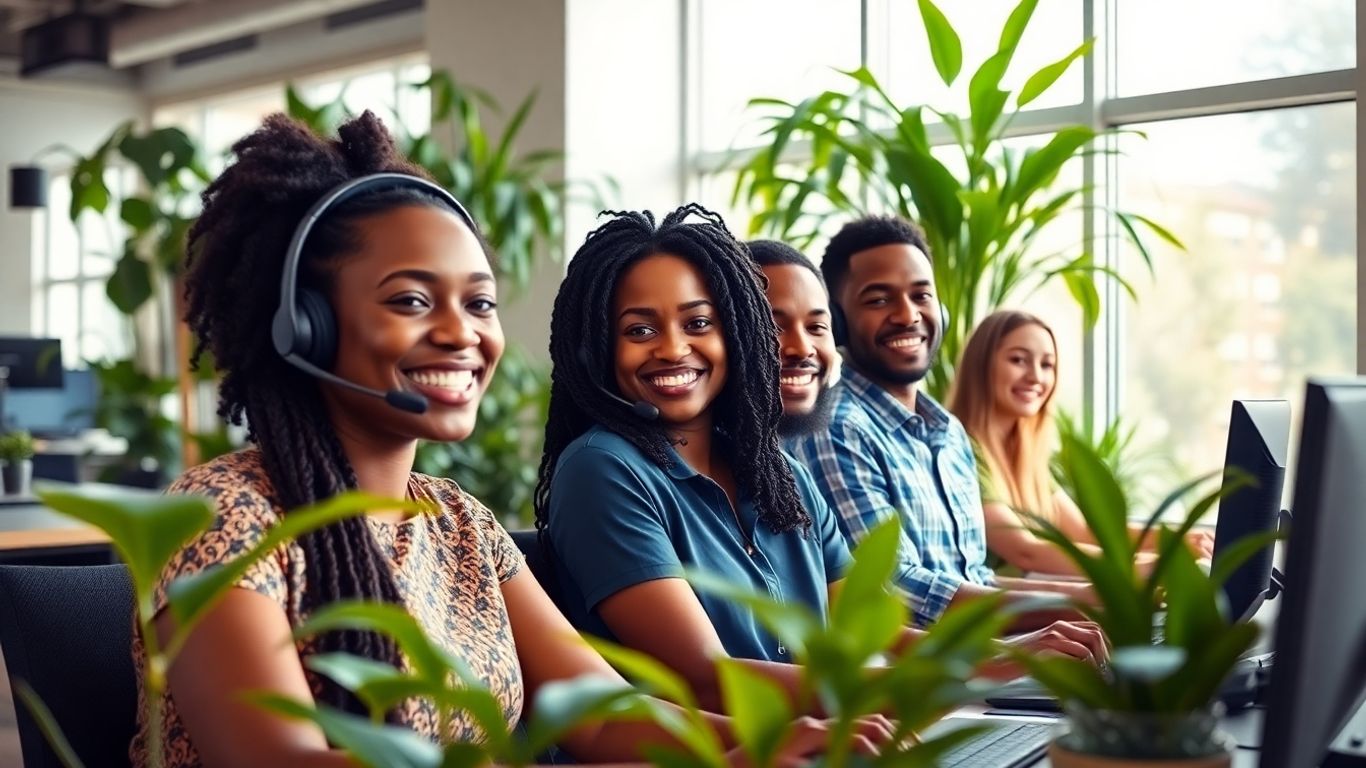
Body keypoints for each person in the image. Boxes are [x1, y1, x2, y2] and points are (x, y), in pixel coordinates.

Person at [130, 112, 871, 767]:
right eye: (413, 301)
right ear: (304, 325)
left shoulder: (461, 526)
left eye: (478, 302)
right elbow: (276, 759)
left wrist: (767, 747)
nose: (461, 334)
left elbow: (599, 711)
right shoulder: (224, 516)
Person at [784, 216, 1096, 631]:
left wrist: (1089, 601)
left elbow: (971, 581)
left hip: (984, 659)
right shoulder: (838, 430)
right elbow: (894, 591)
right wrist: (1079, 607)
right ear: (837, 322)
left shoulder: (947, 431)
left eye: (921, 296)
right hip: (917, 679)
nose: (907, 315)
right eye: (878, 300)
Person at [947, 309, 1215, 578]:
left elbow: (1088, 535)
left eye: (1047, 365)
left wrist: (1180, 541)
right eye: (1018, 360)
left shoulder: (1023, 458)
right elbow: (1026, 551)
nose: (1036, 377)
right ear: (980, 366)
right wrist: (1157, 565)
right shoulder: (962, 451)